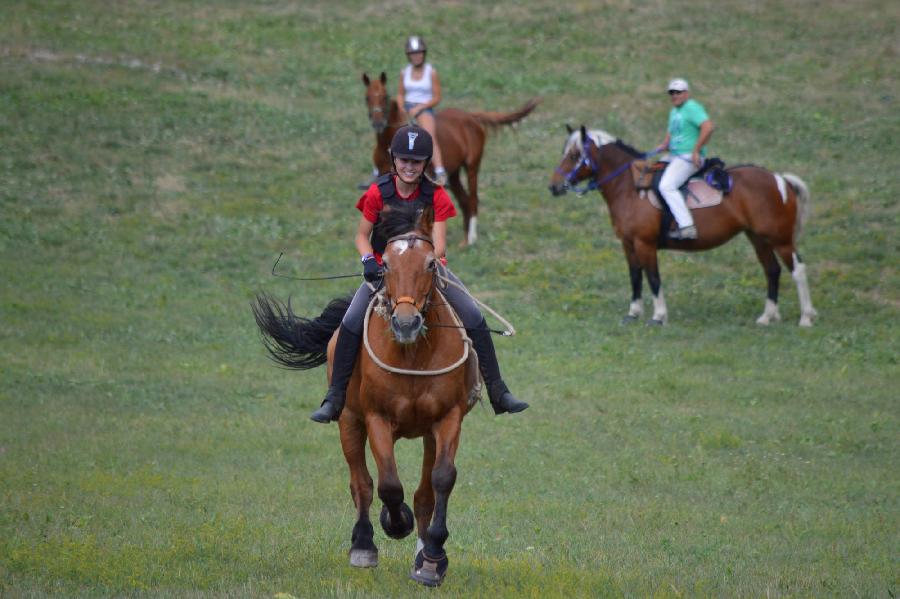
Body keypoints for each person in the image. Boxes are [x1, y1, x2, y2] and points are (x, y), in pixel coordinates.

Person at [310, 125, 528, 423]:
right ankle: (335, 398)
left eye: (416, 162)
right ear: (393, 160)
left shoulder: (436, 195)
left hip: (428, 271)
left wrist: (420, 263)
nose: (410, 167)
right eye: (404, 160)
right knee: (350, 321)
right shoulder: (378, 193)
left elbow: (438, 246)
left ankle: (498, 391)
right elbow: (362, 235)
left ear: (425, 163)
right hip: (384, 273)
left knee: (473, 316)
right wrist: (368, 261)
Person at [656, 78, 715, 240]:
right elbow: (672, 132)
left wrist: (696, 150)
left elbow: (708, 127)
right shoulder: (674, 111)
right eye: (672, 93)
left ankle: (687, 226)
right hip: (675, 156)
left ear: (686, 93)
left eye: (678, 92)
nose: (675, 95)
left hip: (689, 156)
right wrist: (664, 144)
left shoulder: (692, 107)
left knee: (666, 186)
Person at [396, 35, 447, 186]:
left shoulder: (431, 72)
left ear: (423, 54)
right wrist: (401, 106)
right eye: (413, 54)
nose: (416, 57)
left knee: (430, 136)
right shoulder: (404, 72)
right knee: (392, 133)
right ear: (409, 56)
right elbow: (400, 94)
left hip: (424, 108)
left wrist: (421, 107)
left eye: (418, 53)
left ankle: (440, 171)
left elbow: (437, 97)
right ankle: (378, 170)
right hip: (407, 108)